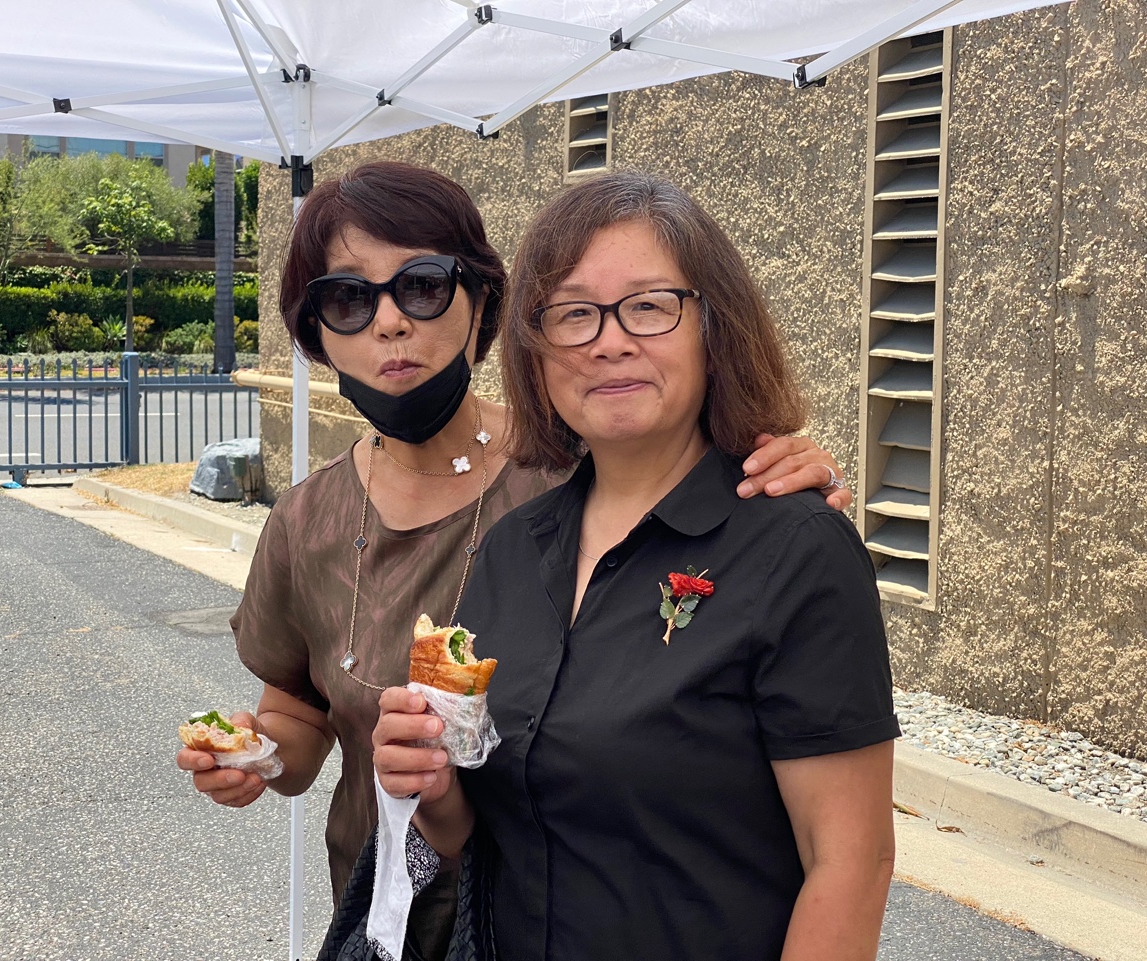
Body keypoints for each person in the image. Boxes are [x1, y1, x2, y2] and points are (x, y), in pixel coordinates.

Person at [176, 162, 853, 953]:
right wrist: (254, 757)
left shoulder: (580, 470)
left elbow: (706, 490)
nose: (389, 322)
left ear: (482, 304)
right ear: (316, 333)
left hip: (557, 916)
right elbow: (296, 712)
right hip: (389, 920)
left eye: (421, 286)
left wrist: (785, 469)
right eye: (349, 299)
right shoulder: (306, 519)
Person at [373, 171, 899, 960]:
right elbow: (476, 830)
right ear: (536, 353)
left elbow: (851, 861)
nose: (610, 340)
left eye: (650, 306)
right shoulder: (513, 549)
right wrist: (428, 780)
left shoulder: (795, 549)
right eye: (574, 313)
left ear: (714, 328)